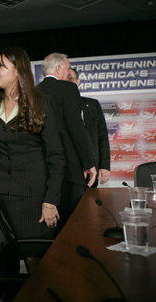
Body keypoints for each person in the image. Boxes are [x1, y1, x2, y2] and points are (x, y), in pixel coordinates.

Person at [0, 47, 64, 245]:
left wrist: (51, 201)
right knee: (2, 258)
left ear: (18, 71)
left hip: (33, 198)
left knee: (35, 259)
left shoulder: (42, 103)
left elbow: (56, 157)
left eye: (1, 66)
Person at [37, 53, 96, 223]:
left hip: (43, 171)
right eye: (68, 68)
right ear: (57, 69)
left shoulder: (33, 92)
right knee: (73, 224)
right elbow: (76, 128)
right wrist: (88, 163)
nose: (69, 72)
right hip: (69, 169)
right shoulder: (68, 88)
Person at [67, 68, 111, 187]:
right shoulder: (52, 105)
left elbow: (102, 137)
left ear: (78, 81)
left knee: (89, 205)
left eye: (70, 78)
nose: (67, 82)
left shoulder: (92, 105)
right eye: (64, 79)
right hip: (65, 173)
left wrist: (104, 166)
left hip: (91, 172)